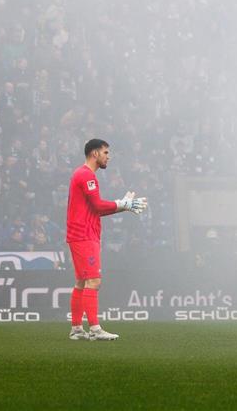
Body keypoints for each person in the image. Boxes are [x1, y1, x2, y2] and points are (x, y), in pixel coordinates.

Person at [67, 138, 147, 341]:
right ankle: (95, 329)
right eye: (105, 153)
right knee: (94, 281)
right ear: (95, 153)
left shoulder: (83, 174)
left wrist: (123, 206)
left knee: (81, 282)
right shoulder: (87, 176)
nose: (108, 157)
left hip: (81, 234)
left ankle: (76, 329)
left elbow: (96, 210)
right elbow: (98, 206)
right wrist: (123, 204)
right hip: (84, 235)